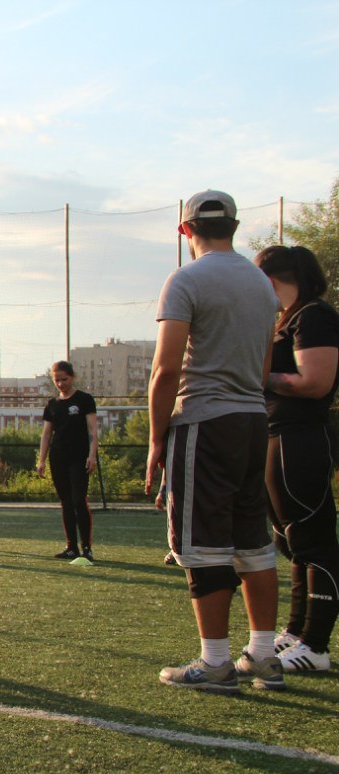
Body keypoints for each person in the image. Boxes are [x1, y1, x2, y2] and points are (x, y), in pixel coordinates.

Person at [147, 190, 283, 693]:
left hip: (205, 422)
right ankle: (264, 657)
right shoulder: (260, 283)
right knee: (253, 540)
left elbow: (165, 371)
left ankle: (216, 662)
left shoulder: (186, 279)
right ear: (235, 225)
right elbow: (266, 366)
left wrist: (157, 440)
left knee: (203, 545)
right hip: (253, 421)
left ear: (185, 232)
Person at [257, 244, 338, 673]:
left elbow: (316, 381)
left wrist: (260, 375)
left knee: (315, 542)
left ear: (269, 280)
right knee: (292, 541)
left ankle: (316, 646)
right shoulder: (287, 319)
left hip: (301, 439)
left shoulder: (314, 316)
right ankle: (296, 632)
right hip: (278, 435)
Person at [36, 361, 98, 562]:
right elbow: (46, 435)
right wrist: (42, 460)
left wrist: (92, 454)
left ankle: (86, 547)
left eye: (64, 379)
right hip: (58, 457)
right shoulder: (52, 405)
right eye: (57, 380)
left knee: (79, 500)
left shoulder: (84, 400)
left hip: (79, 457)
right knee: (66, 502)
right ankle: (71, 547)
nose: (61, 384)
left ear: (72, 377)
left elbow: (92, 431)